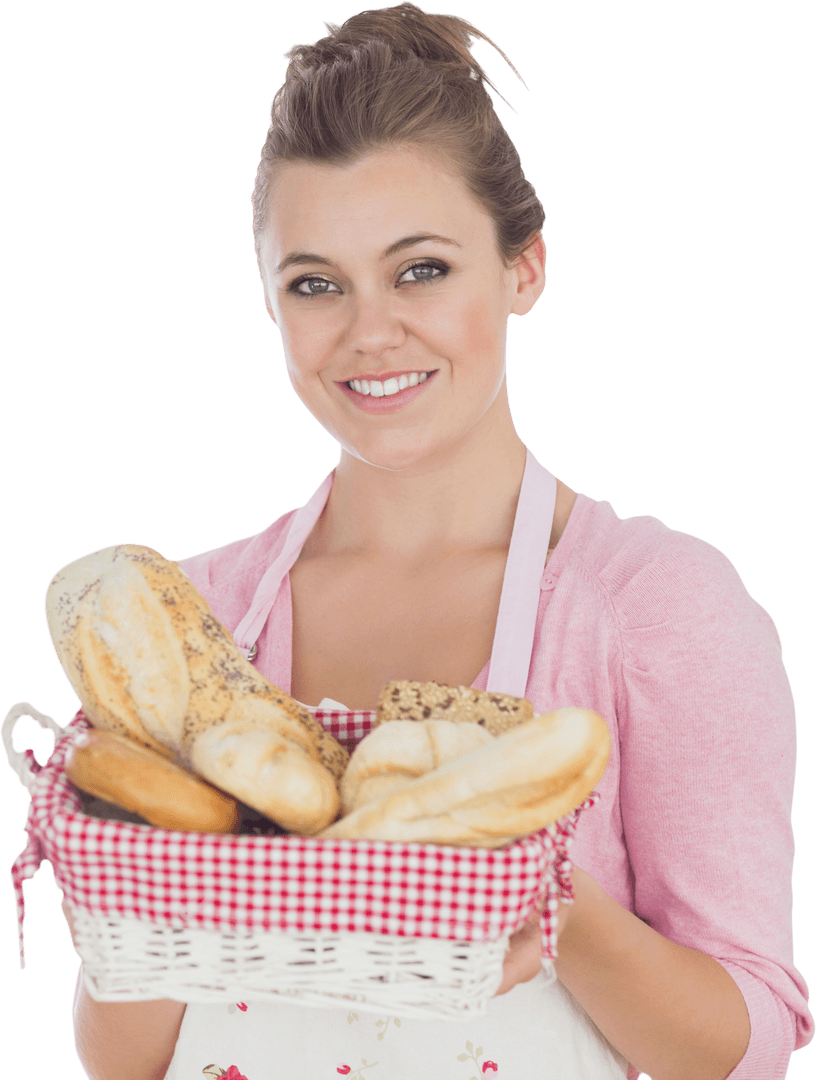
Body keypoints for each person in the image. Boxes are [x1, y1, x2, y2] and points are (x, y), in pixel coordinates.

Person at [62, 4, 813, 1078]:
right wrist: (135, 895)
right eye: (315, 283)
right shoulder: (192, 625)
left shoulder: (655, 610)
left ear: (524, 270)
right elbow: (124, 1061)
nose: (370, 332)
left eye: (421, 269)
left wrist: (558, 911)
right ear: (271, 305)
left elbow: (751, 1042)